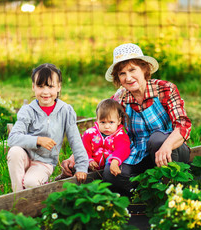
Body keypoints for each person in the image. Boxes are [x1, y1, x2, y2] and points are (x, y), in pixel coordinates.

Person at [59, 43, 191, 197]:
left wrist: (167, 145)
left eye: (132, 70)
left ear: (144, 69)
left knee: (157, 140)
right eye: (122, 73)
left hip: (171, 149)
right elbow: (101, 128)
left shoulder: (165, 89)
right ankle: (145, 194)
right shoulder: (120, 98)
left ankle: (173, 191)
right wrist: (74, 157)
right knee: (111, 173)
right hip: (139, 152)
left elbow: (183, 125)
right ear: (118, 78)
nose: (128, 78)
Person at [7, 63, 89, 192]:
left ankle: (39, 184)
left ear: (59, 87)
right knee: (14, 151)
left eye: (50, 86)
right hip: (25, 157)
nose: (45, 92)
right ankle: (16, 197)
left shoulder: (65, 111)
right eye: (40, 86)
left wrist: (82, 167)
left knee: (30, 183)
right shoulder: (27, 111)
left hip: (44, 163)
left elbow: (76, 142)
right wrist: (38, 140)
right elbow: (12, 139)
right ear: (33, 87)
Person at [82, 98, 130, 176]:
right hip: (90, 169)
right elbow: (84, 149)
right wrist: (89, 160)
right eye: (103, 122)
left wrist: (115, 161)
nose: (107, 126)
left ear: (119, 121)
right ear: (97, 120)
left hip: (111, 168)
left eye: (111, 122)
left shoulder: (120, 135)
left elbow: (123, 149)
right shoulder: (90, 133)